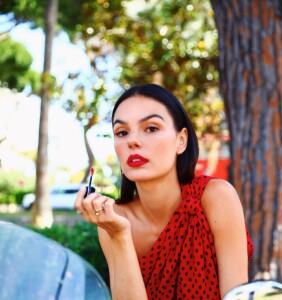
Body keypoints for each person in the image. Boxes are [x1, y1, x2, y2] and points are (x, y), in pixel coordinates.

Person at [74, 83, 254, 300]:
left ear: (181, 140)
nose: (132, 141)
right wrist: (119, 235)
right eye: (122, 132)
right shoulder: (113, 221)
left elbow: (237, 297)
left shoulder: (216, 197)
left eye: (151, 128)